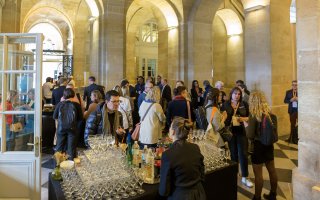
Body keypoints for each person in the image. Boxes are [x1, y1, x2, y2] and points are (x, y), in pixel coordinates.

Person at [159, 117, 205, 200]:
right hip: (198, 194)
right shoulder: (195, 148)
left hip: (180, 196)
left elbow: (163, 190)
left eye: (170, 127)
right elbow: (202, 173)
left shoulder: (168, 154)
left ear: (172, 132)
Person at [245, 91, 278, 200]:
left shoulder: (254, 115)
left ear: (253, 101)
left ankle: (257, 198)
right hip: (268, 145)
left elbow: (250, 135)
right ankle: (273, 195)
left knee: (258, 175)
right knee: (272, 170)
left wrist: (246, 125)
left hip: (258, 146)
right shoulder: (270, 113)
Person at [221, 87, 253, 188]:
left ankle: (245, 176)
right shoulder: (226, 104)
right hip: (230, 133)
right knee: (233, 154)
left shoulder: (244, 104)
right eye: (235, 93)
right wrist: (227, 120)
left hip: (241, 132)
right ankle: (234, 174)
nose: (237, 96)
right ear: (231, 94)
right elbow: (222, 119)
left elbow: (249, 117)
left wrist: (241, 118)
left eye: (239, 94)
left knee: (243, 153)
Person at [53, 88, 83, 159]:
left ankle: (57, 166)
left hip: (61, 128)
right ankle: (71, 166)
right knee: (71, 148)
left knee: (59, 147)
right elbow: (80, 118)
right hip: (73, 128)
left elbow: (54, 116)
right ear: (73, 95)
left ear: (63, 96)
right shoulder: (77, 105)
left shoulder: (60, 104)